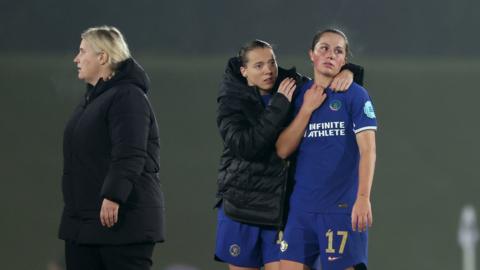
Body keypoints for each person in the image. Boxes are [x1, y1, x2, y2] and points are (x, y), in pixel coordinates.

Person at [215, 39, 364, 270]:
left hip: (277, 212)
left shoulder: (291, 86)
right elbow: (248, 147)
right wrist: (279, 104)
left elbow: (325, 85)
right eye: (259, 66)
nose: (268, 70)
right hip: (241, 208)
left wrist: (349, 71)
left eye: (272, 62)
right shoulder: (232, 100)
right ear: (244, 71)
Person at [59, 26, 165, 270]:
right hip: (84, 225)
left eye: (82, 51)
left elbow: (130, 151)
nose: (76, 58)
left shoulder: (128, 96)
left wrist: (113, 195)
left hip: (121, 223)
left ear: (103, 57)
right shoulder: (92, 101)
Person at [276, 29, 377, 270]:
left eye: (338, 51)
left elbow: (368, 150)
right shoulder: (296, 95)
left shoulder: (356, 95)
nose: (330, 55)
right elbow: (282, 150)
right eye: (324, 48)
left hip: (341, 210)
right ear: (311, 54)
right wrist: (306, 109)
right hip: (301, 210)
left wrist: (363, 198)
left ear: (344, 61)